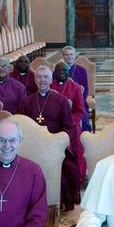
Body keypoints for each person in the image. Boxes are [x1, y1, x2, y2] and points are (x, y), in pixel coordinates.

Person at [18, 65, 84, 210]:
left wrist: (59, 143)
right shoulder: (26, 101)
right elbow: (21, 127)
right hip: (33, 146)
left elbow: (67, 126)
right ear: (35, 80)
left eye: (45, 77)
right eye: (39, 77)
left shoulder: (61, 101)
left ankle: (56, 203)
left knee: (67, 168)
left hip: (55, 146)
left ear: (50, 79)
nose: (42, 80)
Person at [61, 45, 92, 132]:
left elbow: (85, 90)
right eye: (66, 55)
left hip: (79, 102)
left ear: (75, 56)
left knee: (83, 116)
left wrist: (78, 101)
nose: (69, 57)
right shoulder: (58, 70)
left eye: (71, 54)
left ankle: (82, 138)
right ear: (63, 56)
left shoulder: (82, 70)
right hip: (62, 102)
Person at [51, 61, 87, 133]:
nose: (62, 72)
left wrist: (69, 121)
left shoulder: (75, 87)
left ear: (68, 72)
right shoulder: (49, 86)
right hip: (53, 122)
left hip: (70, 122)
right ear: (55, 72)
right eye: (59, 70)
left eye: (64, 70)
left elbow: (80, 110)